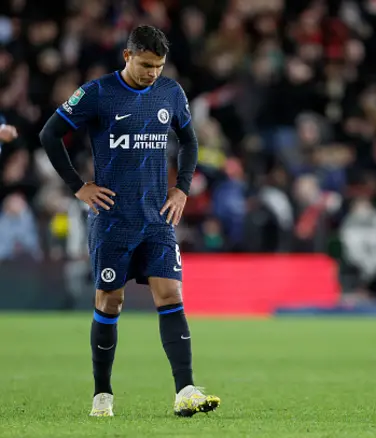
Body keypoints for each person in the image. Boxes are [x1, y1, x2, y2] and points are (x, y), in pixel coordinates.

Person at [39, 25, 220, 418]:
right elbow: (50, 134)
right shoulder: (97, 93)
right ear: (127, 56)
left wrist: (182, 188)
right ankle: (102, 394)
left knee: (171, 295)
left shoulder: (170, 93)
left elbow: (189, 141)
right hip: (112, 220)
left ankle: (185, 390)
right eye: (145, 64)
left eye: (158, 65)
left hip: (157, 217)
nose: (152, 72)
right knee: (110, 301)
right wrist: (78, 186)